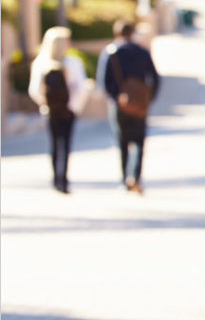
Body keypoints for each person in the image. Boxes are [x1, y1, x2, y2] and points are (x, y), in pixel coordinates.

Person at [28, 27, 89, 194]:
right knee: (65, 144)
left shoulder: (41, 63)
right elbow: (81, 88)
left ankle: (56, 179)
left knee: (55, 145)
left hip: (52, 111)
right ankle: (64, 180)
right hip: (68, 110)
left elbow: (34, 90)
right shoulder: (72, 63)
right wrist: (73, 107)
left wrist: (45, 104)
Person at [102, 20, 160, 194]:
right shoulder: (142, 52)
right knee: (139, 141)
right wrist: (148, 98)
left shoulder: (111, 53)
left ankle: (124, 179)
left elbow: (104, 82)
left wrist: (116, 98)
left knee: (122, 142)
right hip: (140, 103)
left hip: (119, 104)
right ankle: (135, 176)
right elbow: (155, 78)